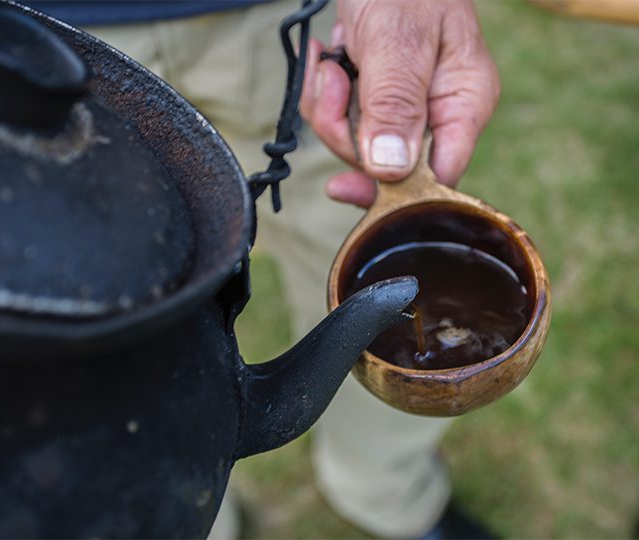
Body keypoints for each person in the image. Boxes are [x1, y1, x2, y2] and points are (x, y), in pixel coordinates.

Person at [27, 1, 500, 538]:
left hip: (281, 25)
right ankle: (199, 522)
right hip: (33, 43)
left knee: (362, 256)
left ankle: (389, 495)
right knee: (112, 346)